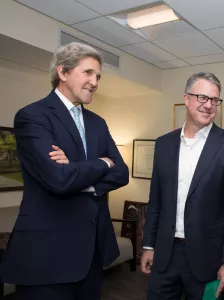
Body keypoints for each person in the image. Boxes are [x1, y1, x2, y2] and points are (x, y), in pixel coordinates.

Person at [0, 42, 129, 300]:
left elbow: (122, 172)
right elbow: (59, 179)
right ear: (63, 72)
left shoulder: (97, 123)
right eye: (88, 73)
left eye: (98, 76)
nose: (95, 82)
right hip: (47, 257)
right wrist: (103, 163)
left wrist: (79, 174)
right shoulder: (32, 116)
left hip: (91, 254)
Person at [141, 72, 224, 300]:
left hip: (207, 261)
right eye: (202, 97)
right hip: (165, 256)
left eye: (214, 100)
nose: (209, 105)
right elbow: (155, 202)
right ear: (186, 99)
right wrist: (149, 245)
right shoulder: (163, 144)